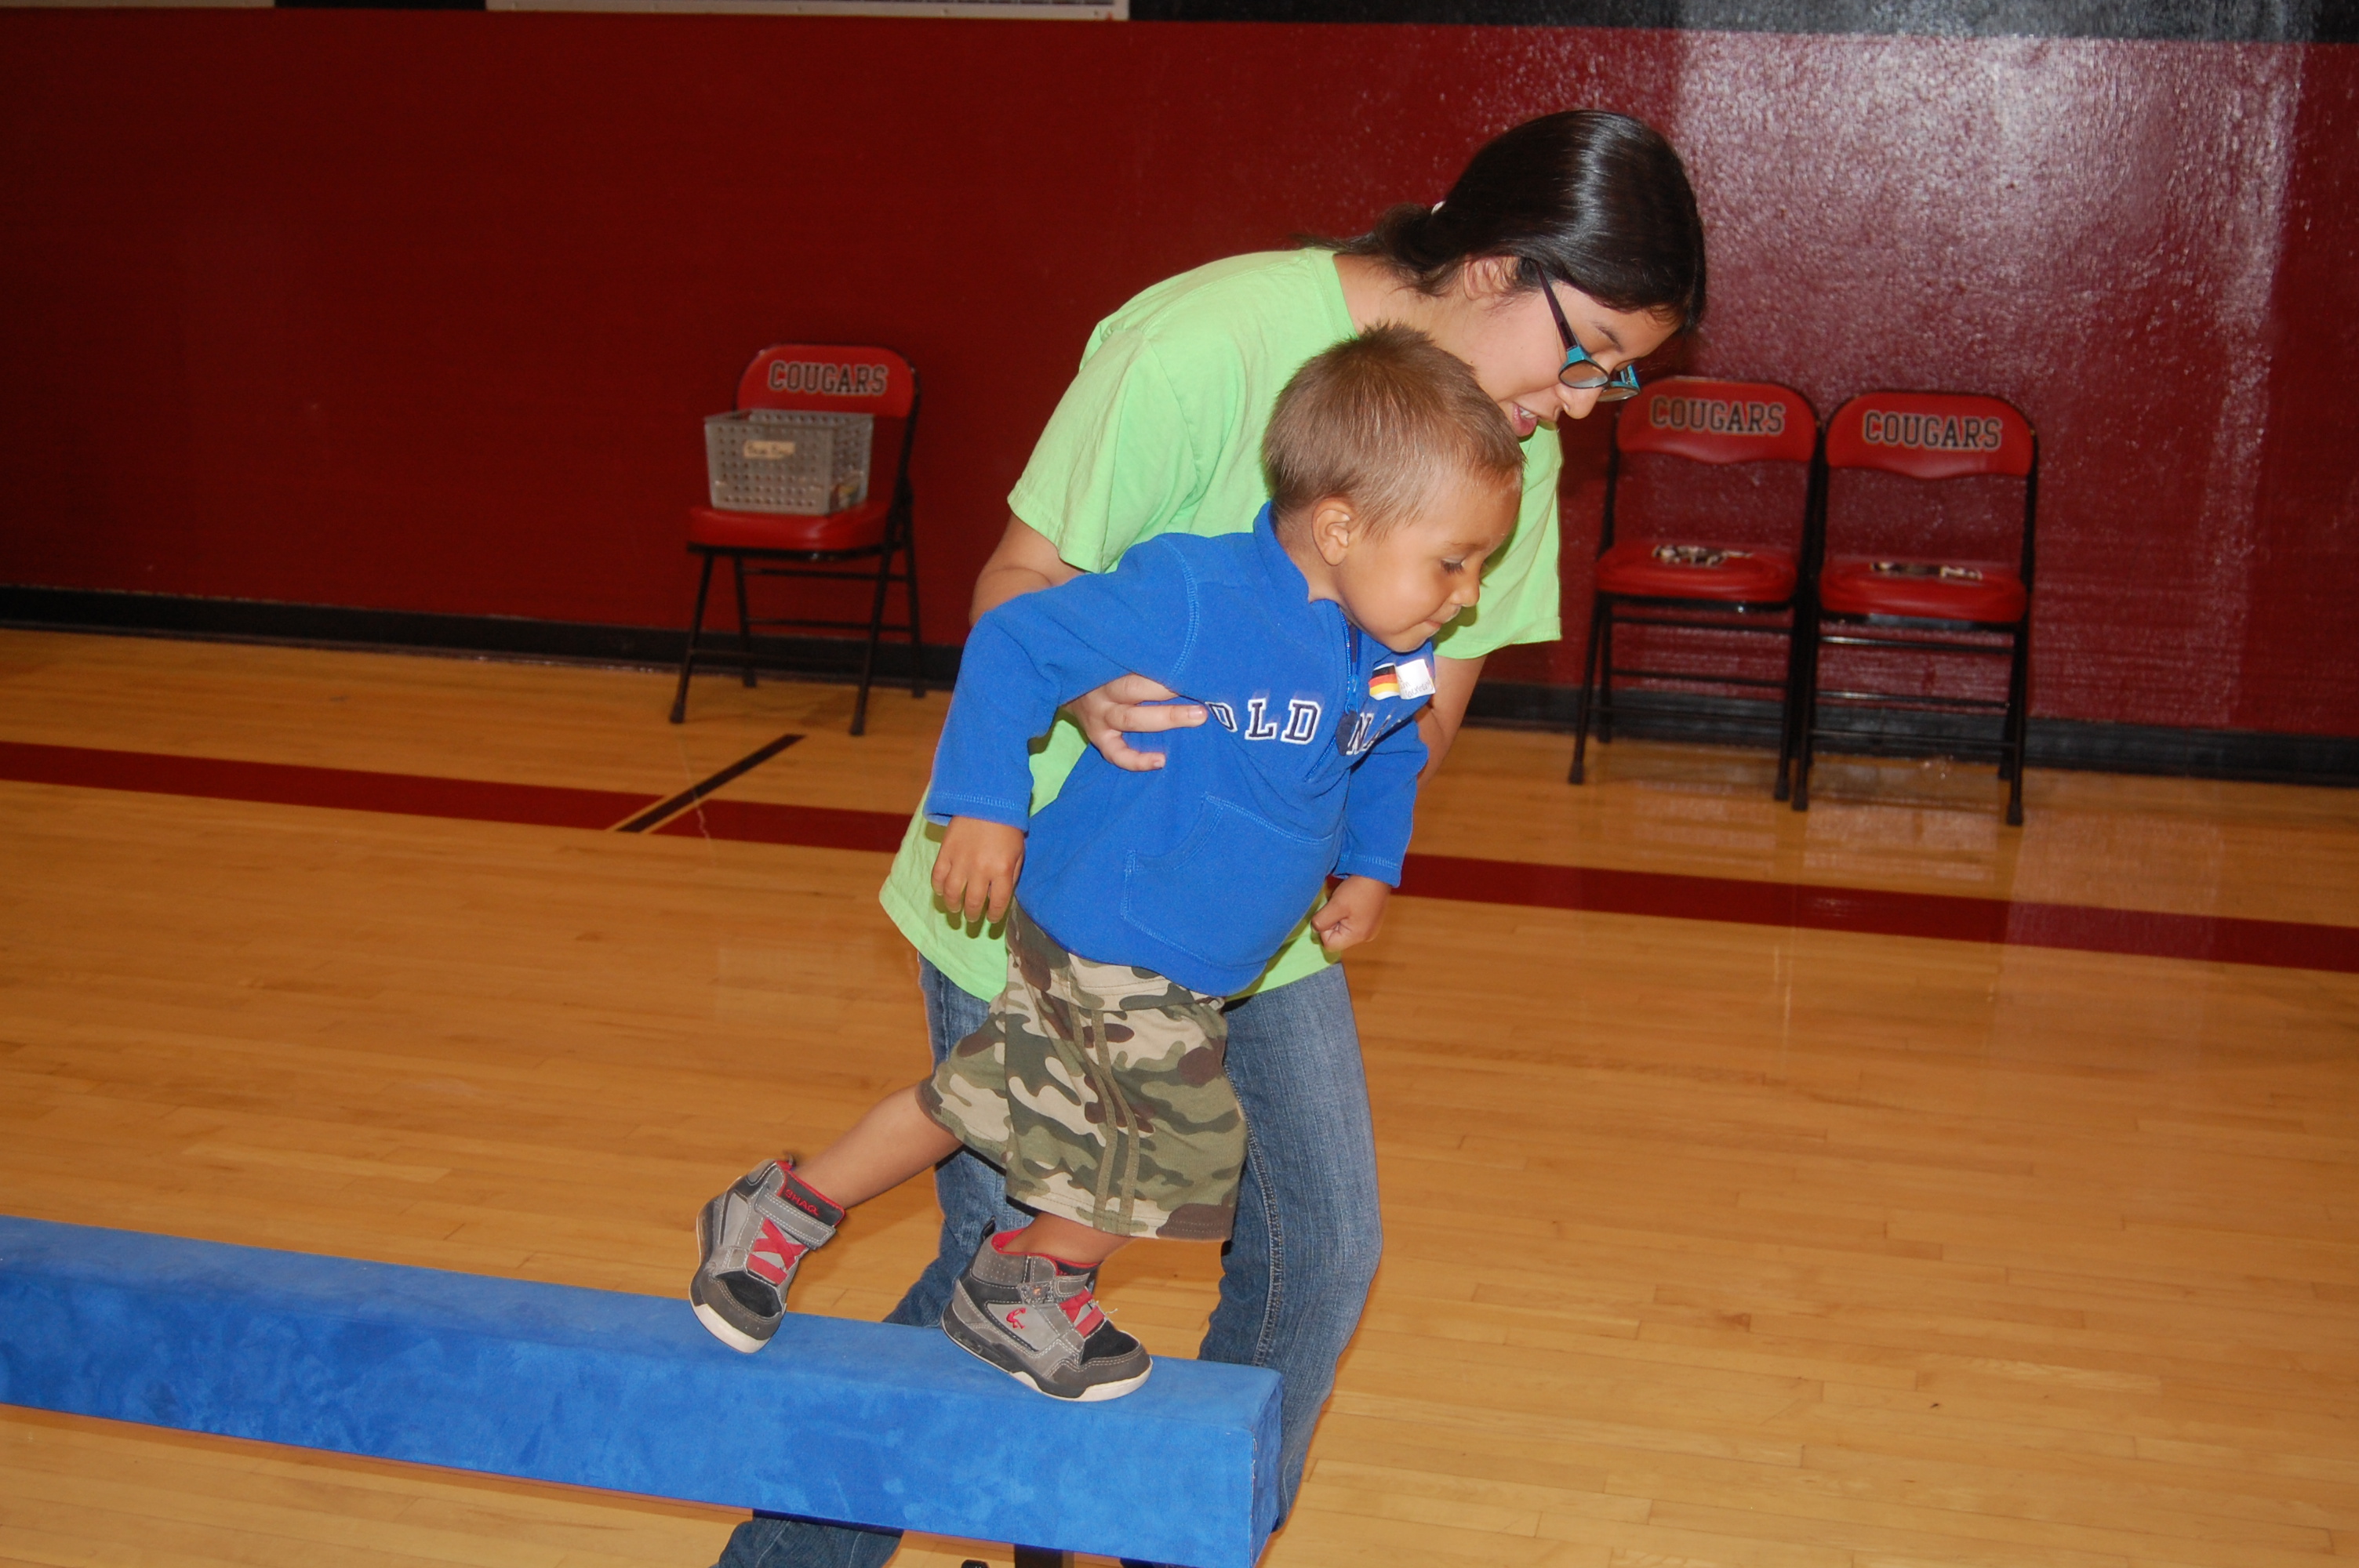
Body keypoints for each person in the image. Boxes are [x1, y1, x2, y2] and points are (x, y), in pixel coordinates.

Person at [712, 107, 1704, 1567]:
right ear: (1502, 267)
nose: (1585, 403)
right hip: (1053, 886)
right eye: (1590, 353)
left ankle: (1176, 1543)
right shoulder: (1205, 341)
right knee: (1003, 1276)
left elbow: (1414, 717)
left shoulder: (1510, 446)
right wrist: (1092, 691)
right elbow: (1020, 587)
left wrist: (1341, 807)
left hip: (1250, 913)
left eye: (1618, 378)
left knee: (1320, 1250)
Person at [690, 327, 1523, 1403]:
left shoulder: (1391, 653)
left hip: (1187, 958)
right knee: (1182, 1141)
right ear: (1339, 526)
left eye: (1479, 567)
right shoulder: (1194, 591)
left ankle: (779, 1211)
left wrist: (1371, 866)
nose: (1467, 594)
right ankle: (1024, 1283)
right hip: (1112, 927)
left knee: (979, 1103)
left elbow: (1391, 755)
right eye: (1452, 562)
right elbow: (1015, 643)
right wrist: (987, 807)